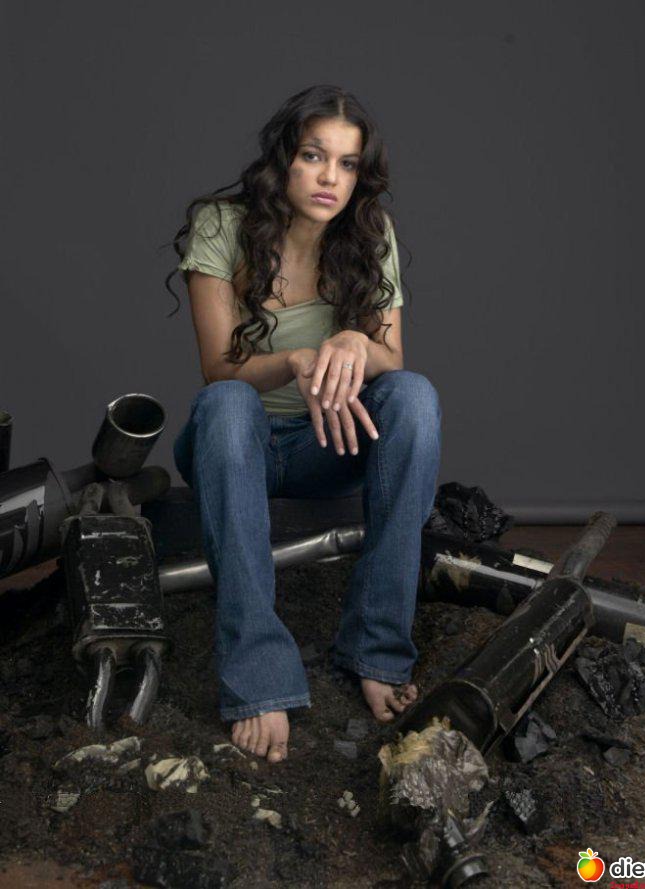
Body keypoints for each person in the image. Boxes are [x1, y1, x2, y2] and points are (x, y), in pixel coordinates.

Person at [167, 84, 442, 763]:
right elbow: (220, 368)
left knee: (413, 395)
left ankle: (377, 649)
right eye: (315, 156)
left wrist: (353, 340)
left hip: (330, 443)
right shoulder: (222, 225)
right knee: (225, 404)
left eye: (347, 164)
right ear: (283, 159)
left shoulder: (371, 234)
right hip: (237, 445)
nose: (330, 178)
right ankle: (258, 676)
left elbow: (390, 359)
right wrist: (294, 360)